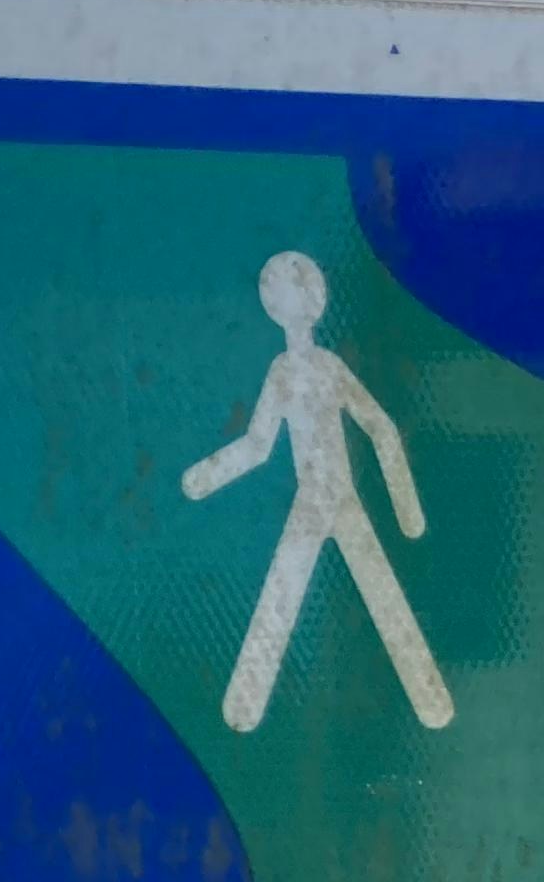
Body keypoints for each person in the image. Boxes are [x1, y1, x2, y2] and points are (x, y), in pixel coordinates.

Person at [181, 251, 455, 734]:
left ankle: (431, 703)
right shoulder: (285, 372)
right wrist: (204, 477)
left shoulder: (326, 367)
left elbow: (379, 427)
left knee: (372, 595)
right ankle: (244, 707)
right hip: (313, 502)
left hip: (340, 499)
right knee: (287, 597)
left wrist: (408, 511)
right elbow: (260, 445)